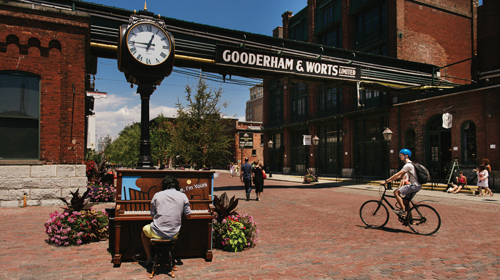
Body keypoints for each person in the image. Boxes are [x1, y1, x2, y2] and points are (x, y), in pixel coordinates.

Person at [141, 175, 192, 265]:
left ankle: (149, 257)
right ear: (176, 186)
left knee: (143, 231)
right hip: (173, 233)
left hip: (157, 232)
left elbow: (152, 214)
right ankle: (168, 255)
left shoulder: (157, 195)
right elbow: (188, 215)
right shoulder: (183, 196)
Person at [381, 149, 422, 216]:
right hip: (417, 186)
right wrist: (390, 181)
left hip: (414, 186)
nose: (400, 156)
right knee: (405, 202)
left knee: (396, 192)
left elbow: (397, 174)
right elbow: (400, 176)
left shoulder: (408, 165)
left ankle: (403, 211)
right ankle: (410, 220)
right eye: (399, 155)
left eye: (401, 155)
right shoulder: (410, 164)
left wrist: (386, 181)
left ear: (406, 155)